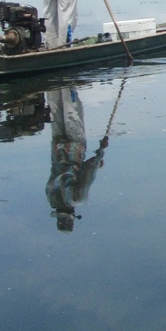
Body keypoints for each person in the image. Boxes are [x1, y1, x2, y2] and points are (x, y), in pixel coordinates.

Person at [45, 87, 108, 232]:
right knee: (55, 110)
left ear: (72, 214)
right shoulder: (51, 198)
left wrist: (100, 153)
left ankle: (67, 82)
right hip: (57, 149)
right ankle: (53, 86)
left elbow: (89, 171)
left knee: (72, 111)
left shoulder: (78, 198)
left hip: (74, 149)